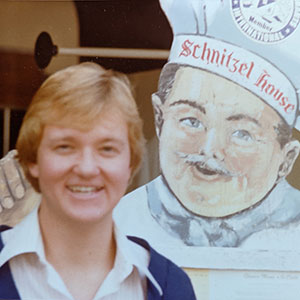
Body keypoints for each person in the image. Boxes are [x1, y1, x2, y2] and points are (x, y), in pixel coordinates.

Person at [0, 62, 196, 300]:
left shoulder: (171, 287)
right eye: (65, 147)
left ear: (130, 164)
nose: (86, 168)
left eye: (107, 148)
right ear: (32, 160)